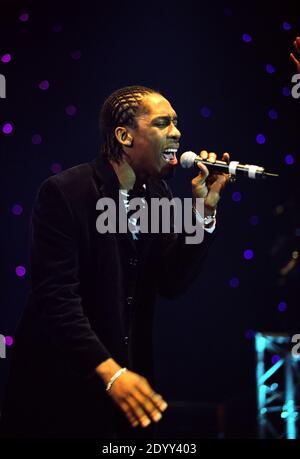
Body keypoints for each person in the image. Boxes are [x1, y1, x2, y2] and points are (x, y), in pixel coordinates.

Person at [1, 86, 230, 438]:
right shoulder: (67, 192)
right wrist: (110, 372)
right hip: (61, 389)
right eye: (162, 123)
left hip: (123, 391)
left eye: (177, 123)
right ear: (124, 136)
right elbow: (57, 298)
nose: (177, 133)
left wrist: (204, 211)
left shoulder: (157, 194)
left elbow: (171, 282)